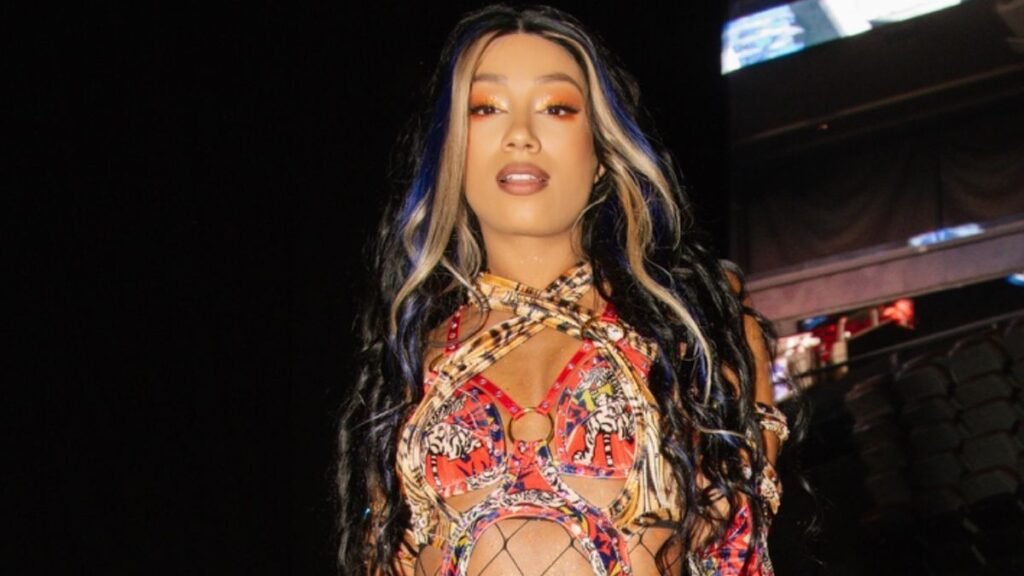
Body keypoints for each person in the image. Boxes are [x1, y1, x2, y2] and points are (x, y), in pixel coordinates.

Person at [337, 5, 791, 575]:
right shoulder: (410, 365)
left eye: (556, 108)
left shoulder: (694, 330)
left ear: (601, 150)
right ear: (451, 149)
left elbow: (735, 553)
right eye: (486, 108)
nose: (520, 136)